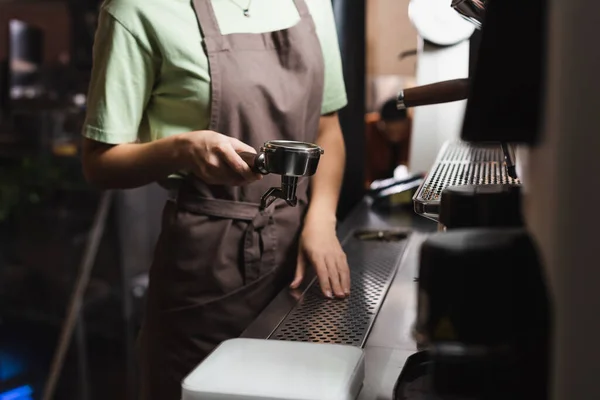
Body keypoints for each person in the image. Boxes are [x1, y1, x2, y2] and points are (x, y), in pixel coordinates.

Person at [80, 0, 350, 398]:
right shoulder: (137, 10)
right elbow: (99, 164)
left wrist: (322, 221)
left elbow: (327, 129)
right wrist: (183, 150)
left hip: (300, 253)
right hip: (207, 266)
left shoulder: (312, 5)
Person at [364, 98, 413, 187]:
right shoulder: (368, 130)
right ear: (381, 124)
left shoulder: (413, 128)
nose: (396, 136)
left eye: (400, 132)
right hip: (375, 184)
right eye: (391, 132)